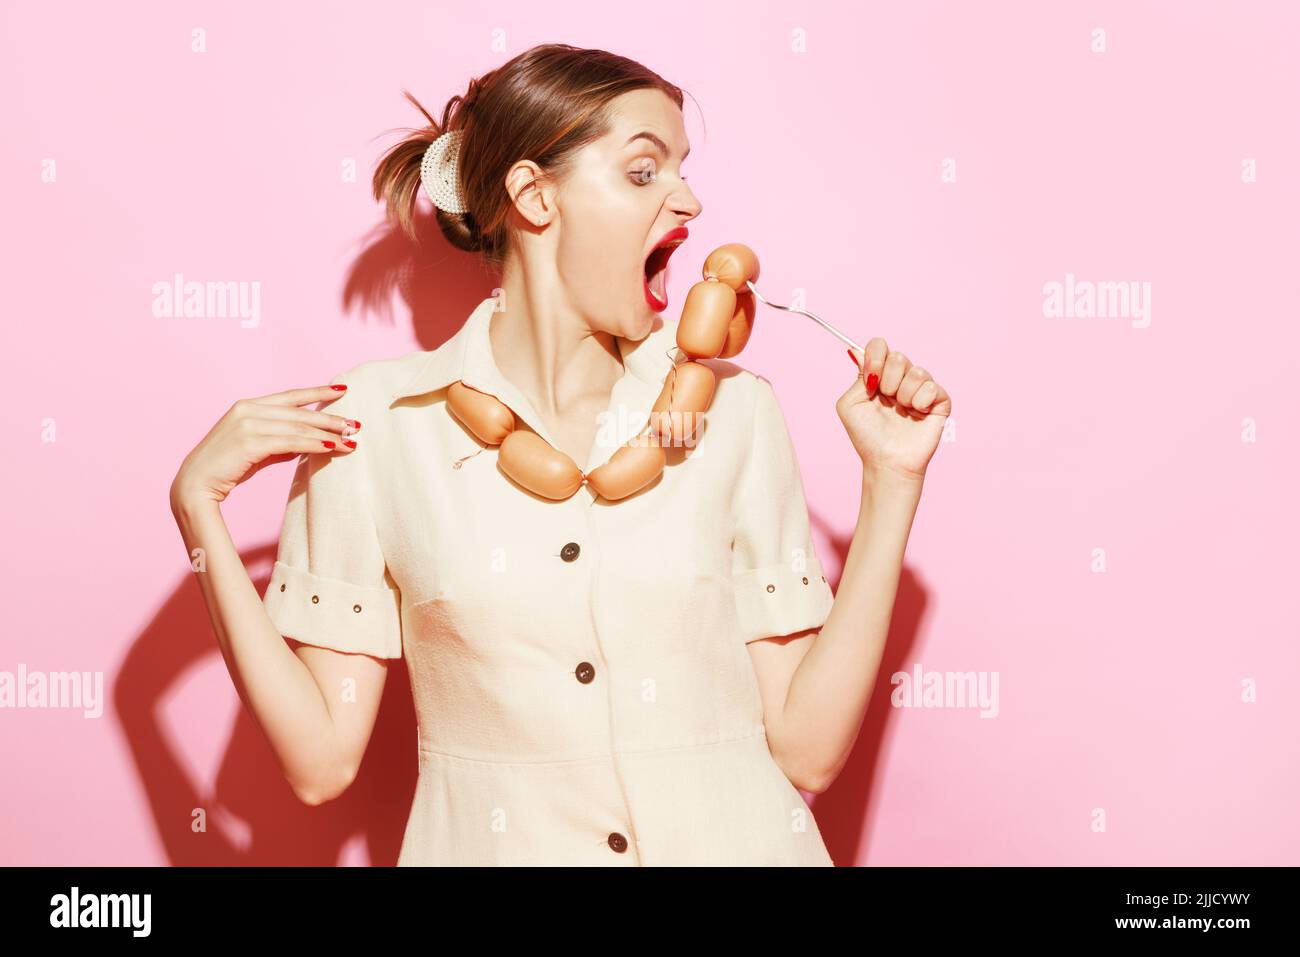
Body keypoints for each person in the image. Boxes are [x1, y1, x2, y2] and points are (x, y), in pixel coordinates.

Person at [169, 43, 952, 866]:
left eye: (682, 169)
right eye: (644, 172)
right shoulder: (377, 426)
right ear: (536, 196)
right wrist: (199, 512)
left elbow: (806, 748)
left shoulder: (736, 411)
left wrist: (892, 483)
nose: (687, 197)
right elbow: (321, 762)